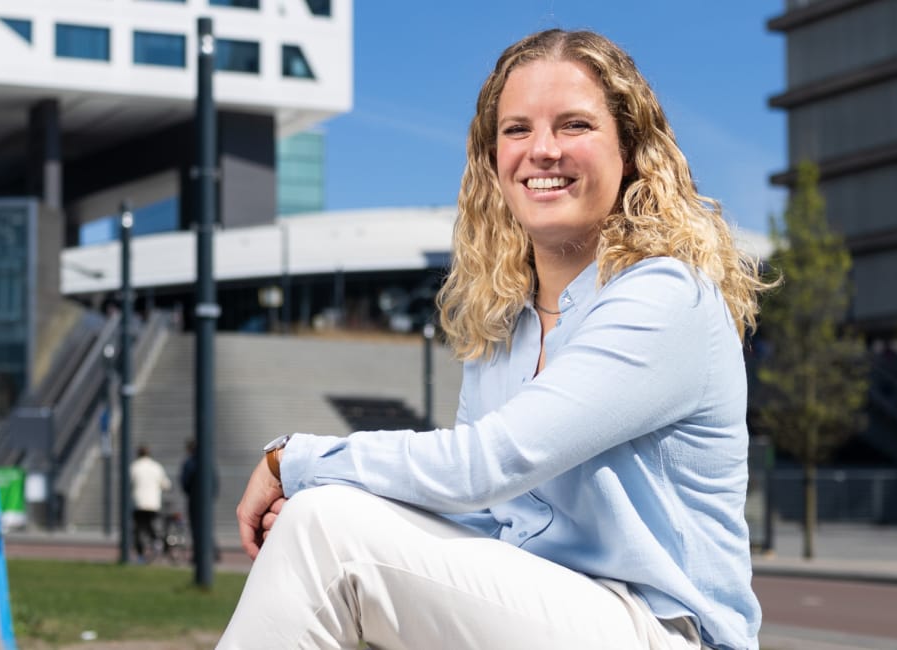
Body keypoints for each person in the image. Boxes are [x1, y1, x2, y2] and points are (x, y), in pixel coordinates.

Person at [225, 29, 768, 650]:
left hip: (668, 632)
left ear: (631, 150)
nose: (543, 150)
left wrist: (293, 461)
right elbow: (480, 517)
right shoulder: (505, 324)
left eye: (574, 125)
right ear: (492, 159)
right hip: (544, 613)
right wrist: (328, 490)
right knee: (322, 518)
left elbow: (485, 465)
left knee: (328, 528)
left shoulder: (665, 295)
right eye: (517, 130)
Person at [179, 439, 220, 561]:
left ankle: (199, 554)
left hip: (194, 498)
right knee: (207, 526)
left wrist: (190, 492)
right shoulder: (208, 462)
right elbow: (214, 480)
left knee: (196, 527)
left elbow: (185, 482)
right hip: (206, 499)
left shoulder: (189, 463)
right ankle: (212, 552)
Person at [130, 444, 171, 560]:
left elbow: (129, 482)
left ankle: (140, 555)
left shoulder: (134, 466)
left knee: (139, 528)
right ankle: (157, 543)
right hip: (153, 503)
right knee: (150, 525)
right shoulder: (156, 467)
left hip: (138, 502)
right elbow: (166, 484)